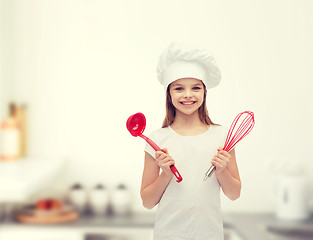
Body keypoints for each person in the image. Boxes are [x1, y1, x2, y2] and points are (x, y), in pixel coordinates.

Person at [140, 42, 241, 240]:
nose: (188, 94)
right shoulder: (157, 140)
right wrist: (166, 174)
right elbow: (147, 202)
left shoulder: (222, 137)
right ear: (169, 93)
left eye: (195, 87)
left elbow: (234, 193)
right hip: (168, 235)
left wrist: (221, 171)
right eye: (179, 88)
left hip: (209, 235)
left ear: (204, 92)